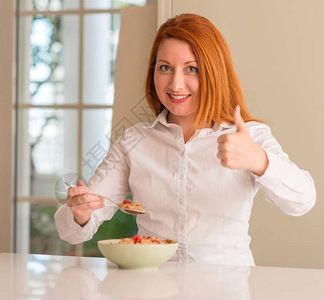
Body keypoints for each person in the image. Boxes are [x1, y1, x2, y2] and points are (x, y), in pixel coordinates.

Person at [54, 13, 316, 266]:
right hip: (152, 287)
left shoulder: (248, 137)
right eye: (165, 68)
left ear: (214, 73)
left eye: (192, 69)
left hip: (227, 288)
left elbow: (303, 201)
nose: (175, 84)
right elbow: (73, 231)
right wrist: (80, 213)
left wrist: (260, 161)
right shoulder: (134, 140)